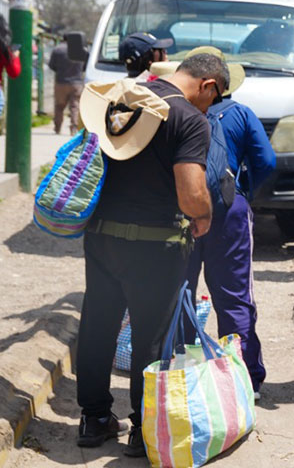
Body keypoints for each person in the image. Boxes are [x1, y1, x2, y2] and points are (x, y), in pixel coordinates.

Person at [75, 53, 227, 457]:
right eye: (215, 98)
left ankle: (93, 419)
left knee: (97, 324)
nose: (210, 107)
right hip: (154, 246)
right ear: (208, 84)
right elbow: (191, 190)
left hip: (102, 238)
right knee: (151, 338)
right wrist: (204, 217)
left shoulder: (123, 100)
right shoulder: (188, 119)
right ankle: (143, 430)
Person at [153, 48, 276, 397]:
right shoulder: (241, 113)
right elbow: (266, 160)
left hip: (179, 211)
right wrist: (241, 190)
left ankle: (183, 376)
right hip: (228, 211)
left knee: (180, 293)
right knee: (235, 298)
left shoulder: (170, 110)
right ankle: (244, 381)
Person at [48, 36, 85, 134]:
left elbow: (51, 65)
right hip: (77, 83)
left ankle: (57, 128)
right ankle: (73, 128)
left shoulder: (57, 50)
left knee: (59, 106)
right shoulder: (81, 50)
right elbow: (84, 66)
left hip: (61, 82)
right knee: (75, 106)